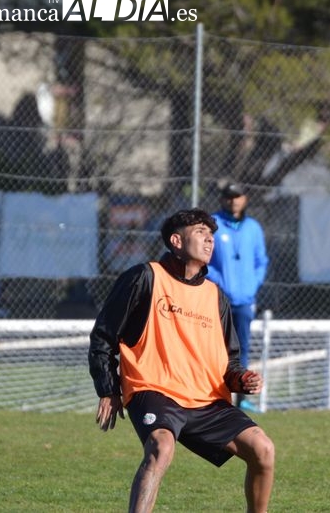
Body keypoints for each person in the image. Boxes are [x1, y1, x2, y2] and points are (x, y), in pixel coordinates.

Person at [88, 208, 275, 512]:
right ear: (176, 240)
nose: (209, 239)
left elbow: (230, 362)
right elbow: (104, 334)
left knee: (263, 449)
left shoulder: (216, 295)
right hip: (155, 391)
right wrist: (108, 388)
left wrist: (242, 380)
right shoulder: (145, 277)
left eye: (212, 234)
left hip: (205, 399)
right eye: (200, 232)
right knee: (160, 447)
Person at [207, 181, 269, 412]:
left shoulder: (253, 227)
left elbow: (260, 261)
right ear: (222, 199)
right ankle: (215, 393)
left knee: (241, 347)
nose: (234, 201)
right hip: (217, 298)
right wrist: (218, 282)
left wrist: (253, 284)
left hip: (244, 300)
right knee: (215, 346)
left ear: (245, 199)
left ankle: (241, 396)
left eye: (238, 196)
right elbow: (206, 259)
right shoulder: (213, 224)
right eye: (229, 196)